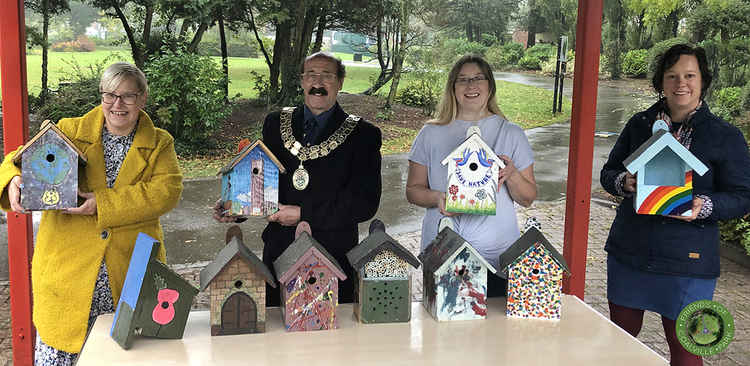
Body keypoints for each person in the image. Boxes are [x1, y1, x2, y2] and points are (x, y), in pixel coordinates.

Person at [0, 62, 183, 365]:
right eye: (109, 95)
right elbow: (14, 160)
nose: (117, 104)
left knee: (124, 355)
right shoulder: (70, 130)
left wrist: (102, 203)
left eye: (128, 96)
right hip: (67, 276)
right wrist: (13, 180)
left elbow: (166, 192)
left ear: (143, 98)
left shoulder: (159, 143)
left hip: (128, 274)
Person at [600, 44, 750, 366]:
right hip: (631, 253)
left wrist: (703, 205)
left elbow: (743, 196)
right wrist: (622, 182)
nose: (681, 83)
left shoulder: (726, 136)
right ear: (662, 82)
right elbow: (608, 172)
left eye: (689, 75)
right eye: (672, 76)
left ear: (703, 80)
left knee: (687, 352)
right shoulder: (639, 125)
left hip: (690, 263)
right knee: (618, 346)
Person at [214, 51, 382, 305]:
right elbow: (266, 182)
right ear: (302, 81)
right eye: (311, 75)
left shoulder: (364, 134)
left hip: (333, 256)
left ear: (340, 82)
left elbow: (364, 203)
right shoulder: (274, 123)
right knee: (277, 336)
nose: (318, 83)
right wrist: (240, 205)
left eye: (327, 76)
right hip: (279, 251)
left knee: (331, 337)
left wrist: (304, 213)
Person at [405, 54, 537, 296]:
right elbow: (413, 190)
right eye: (462, 80)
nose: (471, 85)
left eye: (478, 78)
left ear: (490, 85)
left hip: (498, 257)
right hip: (443, 252)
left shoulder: (511, 133)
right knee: (443, 328)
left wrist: (512, 174)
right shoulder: (430, 133)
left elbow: (528, 198)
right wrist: (438, 198)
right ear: (452, 88)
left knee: (495, 331)